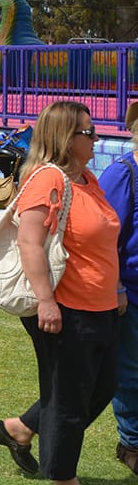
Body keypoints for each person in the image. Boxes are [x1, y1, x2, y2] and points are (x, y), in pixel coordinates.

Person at [0, 101, 123, 484]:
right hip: (66, 310)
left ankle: (21, 428)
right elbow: (30, 243)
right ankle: (64, 477)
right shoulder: (47, 180)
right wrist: (46, 301)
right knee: (68, 401)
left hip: (101, 306)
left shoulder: (85, 178)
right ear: (66, 138)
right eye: (88, 131)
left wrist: (115, 288)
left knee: (103, 386)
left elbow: (101, 241)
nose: (96, 136)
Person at [98, 101, 138, 475]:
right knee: (131, 369)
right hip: (132, 291)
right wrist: (118, 288)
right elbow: (104, 238)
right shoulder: (123, 173)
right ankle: (132, 443)